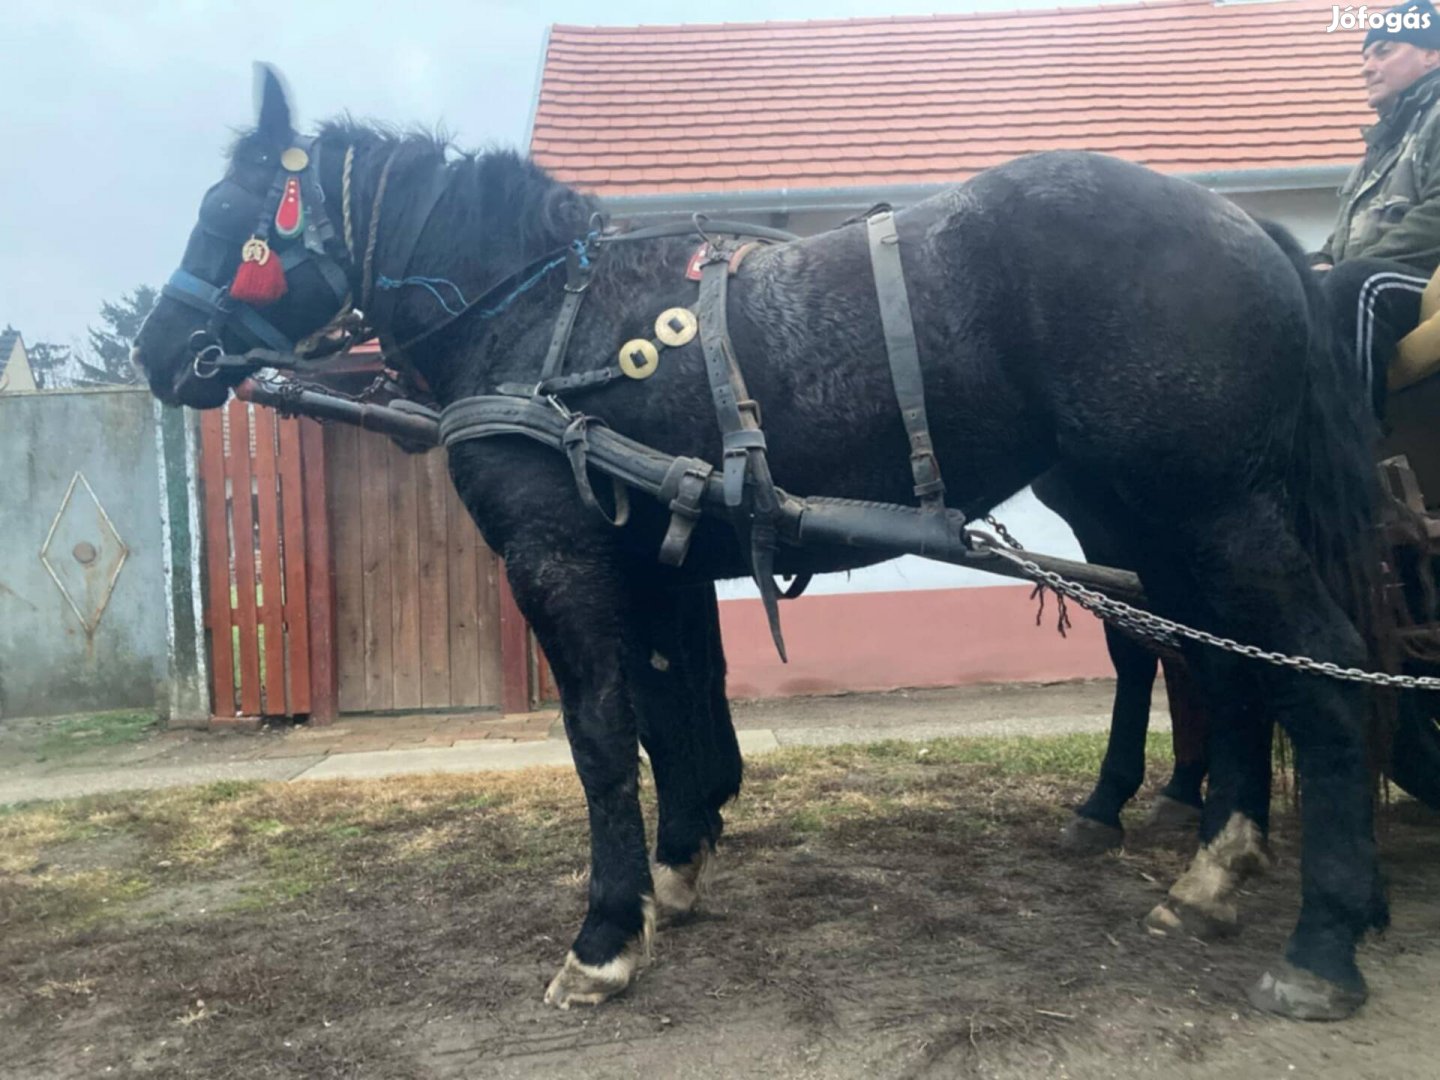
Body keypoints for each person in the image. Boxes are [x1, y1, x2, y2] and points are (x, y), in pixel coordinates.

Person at [1313, 0, 1440, 412]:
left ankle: (1351, 456)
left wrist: (1346, 269)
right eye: (1365, 56)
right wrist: (1312, 266)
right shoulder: (1379, 151)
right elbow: (1340, 242)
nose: (1366, 67)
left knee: (1357, 285)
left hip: (1422, 285)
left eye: (1384, 50)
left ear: (1431, 54)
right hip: (1364, 278)